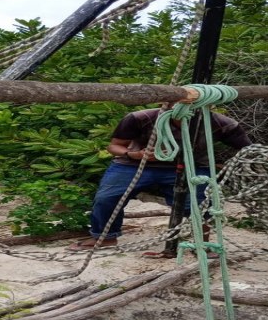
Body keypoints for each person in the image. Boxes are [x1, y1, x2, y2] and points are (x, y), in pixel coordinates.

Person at [68, 106, 252, 251]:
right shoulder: (141, 118)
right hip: (135, 163)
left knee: (200, 201)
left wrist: (227, 166)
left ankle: (201, 244)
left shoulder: (221, 123)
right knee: (107, 197)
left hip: (192, 164)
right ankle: (105, 237)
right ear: (166, 105)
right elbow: (114, 146)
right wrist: (136, 154)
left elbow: (249, 150)